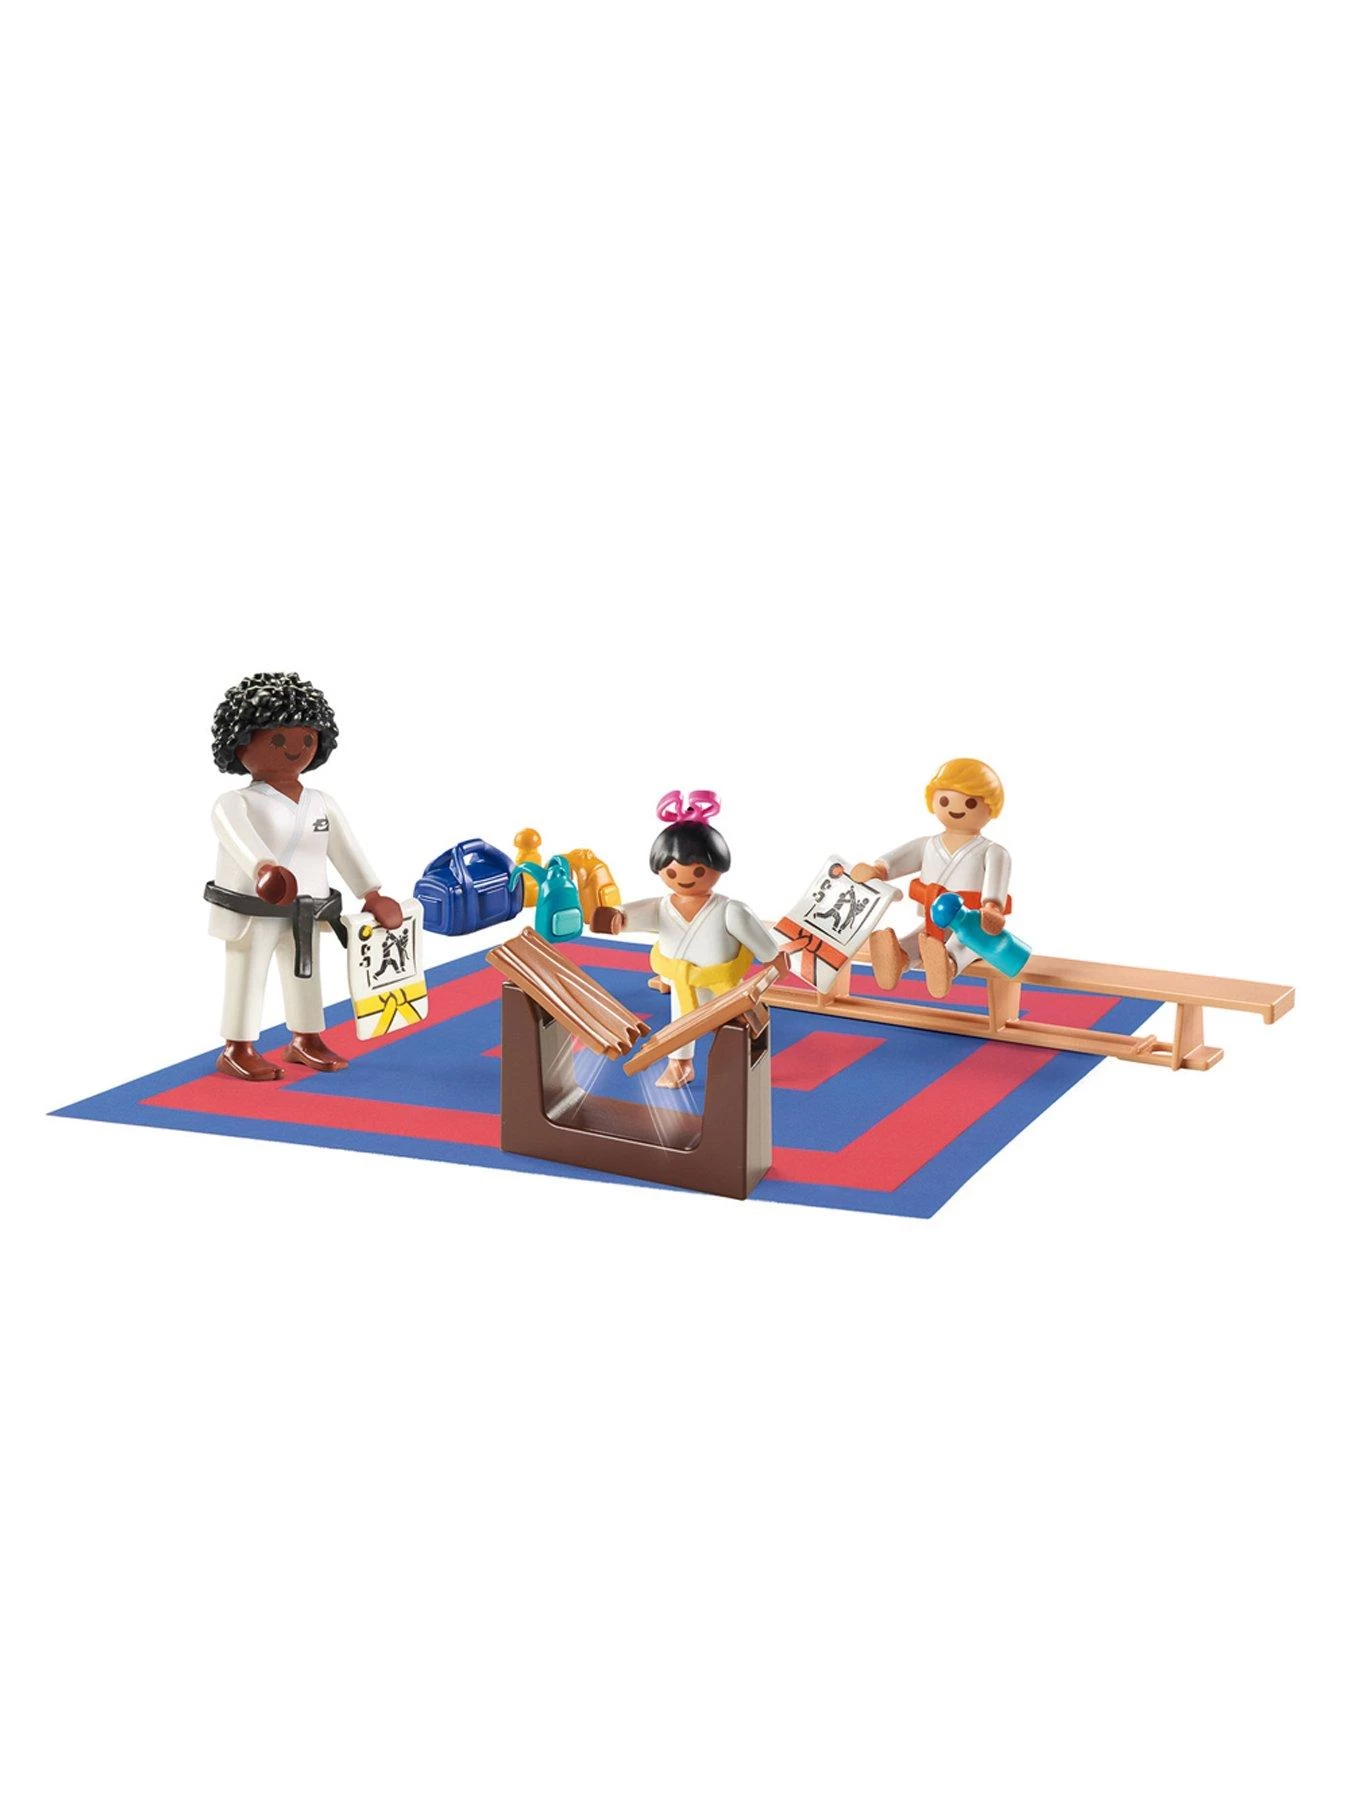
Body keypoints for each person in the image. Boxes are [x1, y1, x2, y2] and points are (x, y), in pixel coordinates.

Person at [205, 672, 403, 1080]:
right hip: (255, 908)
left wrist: (371, 893)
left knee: (306, 975)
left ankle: (306, 1038)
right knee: (247, 974)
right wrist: (264, 868)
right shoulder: (234, 803)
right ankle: (237, 1047)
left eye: (307, 739)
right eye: (277, 740)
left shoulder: (321, 803)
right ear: (240, 743)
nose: (295, 749)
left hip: (308, 909)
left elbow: (346, 849)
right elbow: (240, 840)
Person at [591, 790, 792, 1088]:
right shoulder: (661, 908)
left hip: (723, 985)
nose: (685, 878)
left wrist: (772, 956)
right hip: (682, 982)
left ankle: (745, 1067)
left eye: (698, 870)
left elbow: (756, 935)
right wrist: (617, 917)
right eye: (672, 872)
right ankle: (680, 1066)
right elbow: (632, 915)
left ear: (717, 867)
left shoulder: (729, 910)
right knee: (680, 1026)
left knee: (736, 1028)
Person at [850, 758, 1012, 998]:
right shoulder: (928, 845)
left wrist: (992, 907)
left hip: (972, 920)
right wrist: (880, 870)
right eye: (945, 800)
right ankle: (897, 958)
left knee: (965, 943)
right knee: (920, 938)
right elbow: (900, 859)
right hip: (933, 915)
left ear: (991, 806)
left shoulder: (993, 851)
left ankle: (946, 965)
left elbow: (996, 884)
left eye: (970, 803)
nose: (956, 808)